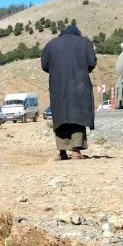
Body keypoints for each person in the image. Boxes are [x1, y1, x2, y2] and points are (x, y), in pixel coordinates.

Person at [41, 24, 97, 161]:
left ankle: (62, 152)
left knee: (61, 118)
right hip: (79, 84)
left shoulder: (51, 44)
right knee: (78, 117)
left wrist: (56, 69)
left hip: (58, 86)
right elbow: (91, 62)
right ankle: (76, 151)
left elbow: (44, 65)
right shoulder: (84, 43)